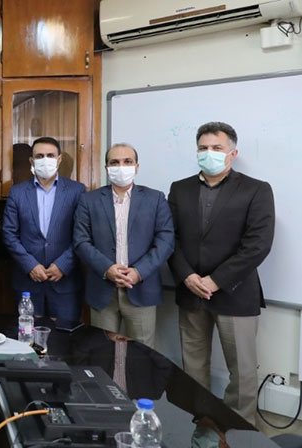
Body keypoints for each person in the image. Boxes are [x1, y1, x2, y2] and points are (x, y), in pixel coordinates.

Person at [168, 122, 274, 424]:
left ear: (233, 153)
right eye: (203, 148)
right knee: (193, 367)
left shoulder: (257, 189)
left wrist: (216, 281)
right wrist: (187, 276)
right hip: (190, 291)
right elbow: (170, 238)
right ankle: (196, 424)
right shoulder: (179, 188)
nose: (209, 153)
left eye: (217, 148)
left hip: (235, 293)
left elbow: (258, 244)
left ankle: (238, 430)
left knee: (242, 371)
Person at [73, 143, 174, 348]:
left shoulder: (155, 199)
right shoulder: (89, 200)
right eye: (115, 162)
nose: (121, 167)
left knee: (142, 354)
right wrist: (107, 269)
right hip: (102, 291)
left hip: (141, 289)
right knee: (102, 352)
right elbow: (81, 241)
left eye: (127, 161)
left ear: (137, 166)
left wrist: (139, 272)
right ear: (107, 168)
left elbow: (166, 241)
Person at [3, 137, 85, 321]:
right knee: (27, 335)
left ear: (59, 159)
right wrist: (30, 265)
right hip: (28, 282)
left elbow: (82, 235)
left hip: (65, 282)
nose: (45, 160)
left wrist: (63, 265)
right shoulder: (17, 192)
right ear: (32, 161)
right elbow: (9, 234)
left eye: (50, 155)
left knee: (65, 335)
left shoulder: (77, 191)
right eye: (39, 156)